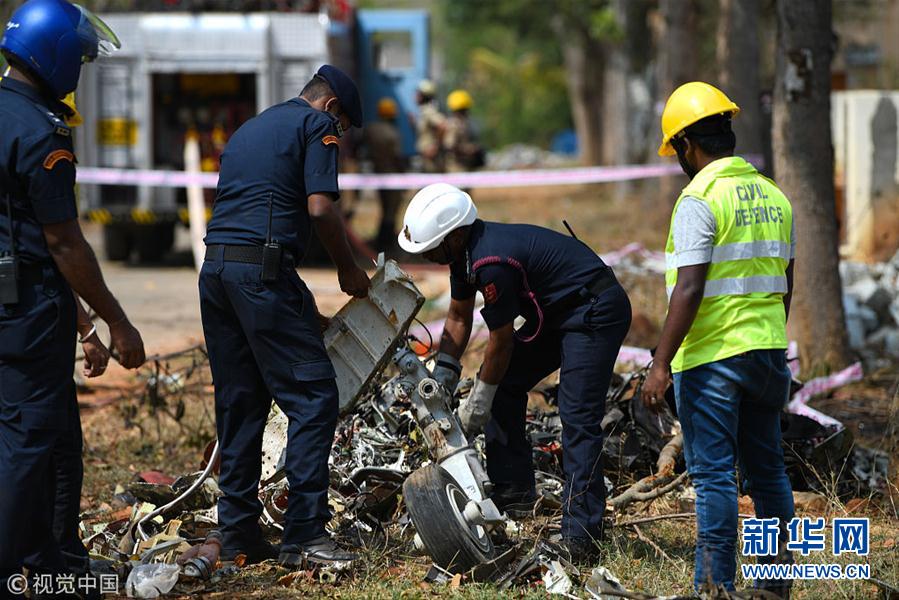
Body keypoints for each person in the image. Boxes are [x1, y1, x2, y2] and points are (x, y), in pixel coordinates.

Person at [397, 183, 631, 562]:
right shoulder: (465, 255)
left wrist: (478, 403)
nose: (428, 255)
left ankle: (582, 537)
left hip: (593, 311)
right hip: (560, 313)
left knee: (577, 418)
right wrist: (444, 374)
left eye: (431, 247)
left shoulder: (491, 264)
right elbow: (457, 317)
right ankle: (515, 492)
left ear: (454, 236)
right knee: (506, 384)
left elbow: (500, 341)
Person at [0, 0, 146, 596]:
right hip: (25, 313)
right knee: (29, 441)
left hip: (24, 305)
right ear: (55, 56)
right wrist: (118, 322)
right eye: (79, 59)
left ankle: (55, 558)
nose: (80, 71)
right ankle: (17, 572)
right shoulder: (41, 134)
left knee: (53, 433)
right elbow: (62, 244)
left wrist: (82, 327)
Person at [200, 64, 370, 568]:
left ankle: (236, 534)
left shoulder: (252, 127)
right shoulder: (317, 127)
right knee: (314, 396)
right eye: (341, 126)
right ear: (332, 108)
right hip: (261, 276)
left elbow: (254, 218)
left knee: (241, 401)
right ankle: (305, 534)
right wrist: (349, 269)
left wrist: (297, 305)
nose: (337, 135)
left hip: (217, 274)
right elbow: (319, 210)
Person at [641, 82, 796, 597]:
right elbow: (784, 283)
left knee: (713, 478)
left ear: (687, 144)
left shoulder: (699, 198)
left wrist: (660, 364)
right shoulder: (774, 195)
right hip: (768, 352)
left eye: (676, 150)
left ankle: (713, 587)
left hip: (712, 360)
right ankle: (775, 585)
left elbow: (689, 287)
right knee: (768, 471)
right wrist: (770, 341)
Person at [363, 97, 405, 252]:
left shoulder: (370, 129)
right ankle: (386, 243)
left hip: (377, 174)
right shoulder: (392, 133)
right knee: (390, 212)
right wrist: (404, 174)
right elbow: (397, 157)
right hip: (392, 176)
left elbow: (359, 146)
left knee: (384, 209)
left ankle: (381, 242)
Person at [444, 89, 484, 173]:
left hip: (466, 166)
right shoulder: (454, 125)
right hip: (456, 168)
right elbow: (450, 146)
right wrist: (468, 150)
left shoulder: (464, 123)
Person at [414, 79, 446, 173]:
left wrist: (435, 147)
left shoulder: (428, 111)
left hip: (431, 160)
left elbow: (442, 126)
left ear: (422, 96)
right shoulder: (424, 111)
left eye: (418, 93)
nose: (415, 96)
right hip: (425, 158)